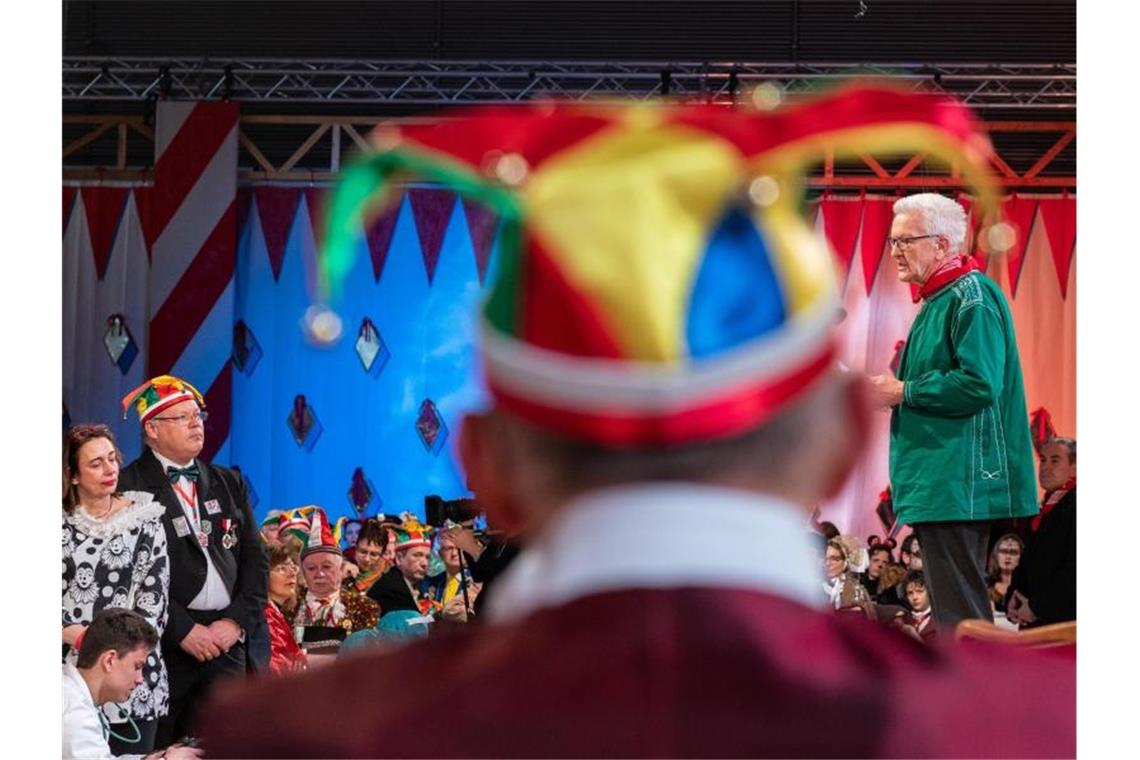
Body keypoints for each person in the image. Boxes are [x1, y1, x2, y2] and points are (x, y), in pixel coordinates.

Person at [201, 90, 1073, 758]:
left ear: (485, 465)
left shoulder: (303, 733)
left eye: (902, 245)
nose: (895, 256)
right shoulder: (1032, 725)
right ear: (838, 441)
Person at [870, 193, 1038, 631]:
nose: (895, 252)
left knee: (961, 615)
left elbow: (979, 383)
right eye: (892, 241)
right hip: (943, 482)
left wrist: (904, 391)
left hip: (959, 483)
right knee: (953, 614)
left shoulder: (971, 296)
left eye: (906, 240)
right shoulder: (940, 299)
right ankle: (971, 694)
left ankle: (980, 698)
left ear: (943, 244)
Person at [116, 375, 267, 745]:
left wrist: (235, 621)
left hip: (227, 640)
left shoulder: (227, 480)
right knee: (166, 745)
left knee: (232, 745)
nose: (195, 423)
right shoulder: (128, 487)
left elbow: (255, 559)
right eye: (181, 417)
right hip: (166, 645)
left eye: (197, 415)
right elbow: (129, 577)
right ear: (151, 428)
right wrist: (182, 630)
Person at [62, 424, 170, 755]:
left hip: (132, 673)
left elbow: (155, 599)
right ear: (74, 475)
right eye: (96, 463)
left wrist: (121, 652)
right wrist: (73, 634)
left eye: (112, 459)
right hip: (66, 674)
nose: (110, 470)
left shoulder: (146, 519)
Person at [63, 608, 201, 760]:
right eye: (138, 666)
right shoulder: (75, 714)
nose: (140, 679)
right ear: (109, 660)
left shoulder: (72, 693)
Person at [1007, 437, 1077, 627]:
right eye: (1043, 460)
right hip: (1036, 621)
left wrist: (1037, 608)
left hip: (1062, 627)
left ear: (1075, 467)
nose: (1045, 467)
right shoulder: (1045, 507)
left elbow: (1074, 571)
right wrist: (1014, 595)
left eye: (1055, 460)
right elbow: (1029, 561)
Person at [294, 508, 379, 654]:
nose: (319, 573)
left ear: (341, 568)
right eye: (311, 568)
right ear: (302, 571)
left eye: (327, 567)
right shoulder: (289, 606)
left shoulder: (365, 608)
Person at [263, 542, 307, 675]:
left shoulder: (275, 613)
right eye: (281, 568)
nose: (292, 574)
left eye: (293, 567)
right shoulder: (264, 618)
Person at [342, 519, 391, 595]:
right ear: (356, 547)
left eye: (374, 554)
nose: (367, 559)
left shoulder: (389, 575)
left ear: (382, 554)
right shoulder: (342, 568)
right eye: (363, 552)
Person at [985, 533, 1024, 615]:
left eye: (1013, 552)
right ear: (996, 556)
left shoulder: (1027, 587)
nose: (1008, 556)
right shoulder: (985, 585)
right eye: (1003, 551)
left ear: (1022, 557)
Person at [894, 571, 937, 645]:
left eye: (919, 591)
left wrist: (916, 637)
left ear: (929, 592)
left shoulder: (939, 620)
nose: (915, 597)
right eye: (910, 593)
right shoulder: (903, 619)